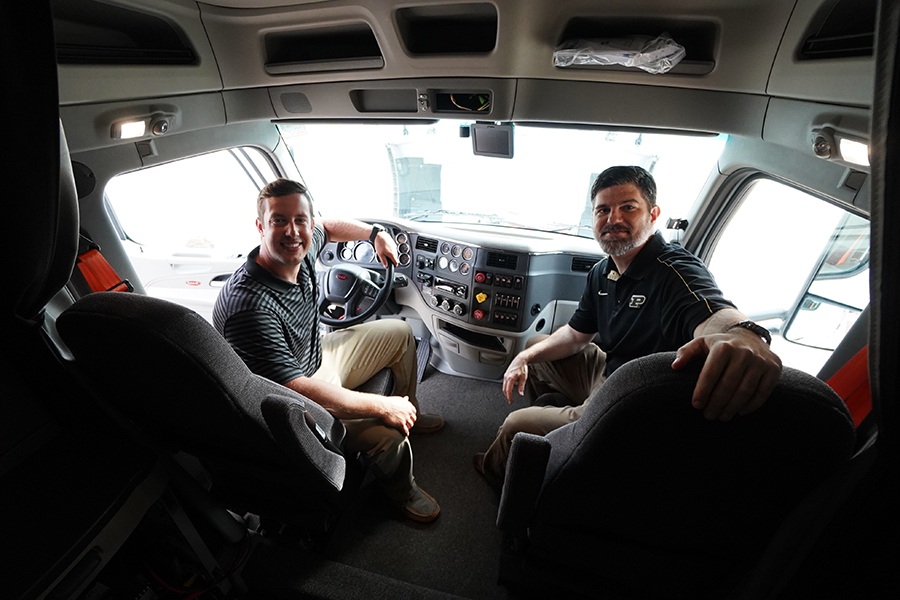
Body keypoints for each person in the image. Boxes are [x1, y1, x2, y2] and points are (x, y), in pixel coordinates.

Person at [474, 166, 783, 487]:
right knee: (534, 345)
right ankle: (555, 443)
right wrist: (525, 358)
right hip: (609, 371)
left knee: (516, 425)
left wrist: (743, 335)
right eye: (603, 210)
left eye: (628, 207)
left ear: (653, 214)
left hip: (634, 397)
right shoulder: (602, 271)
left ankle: (504, 470)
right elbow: (577, 334)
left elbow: (716, 315)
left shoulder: (675, 270)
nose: (613, 219)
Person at [213, 178, 444, 523]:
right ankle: (401, 489)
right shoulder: (249, 306)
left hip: (315, 358)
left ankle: (412, 410)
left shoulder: (301, 248)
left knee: (399, 332)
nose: (293, 231)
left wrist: (374, 235)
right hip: (288, 404)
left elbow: (329, 226)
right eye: (279, 220)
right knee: (389, 435)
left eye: (300, 220)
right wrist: (383, 405)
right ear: (260, 226)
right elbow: (295, 389)